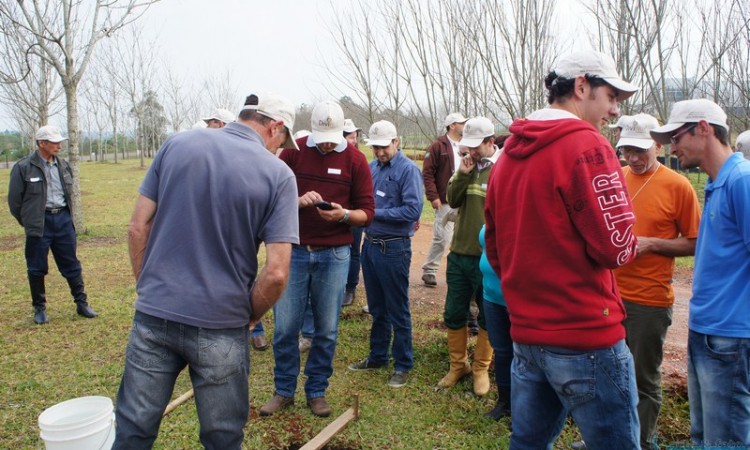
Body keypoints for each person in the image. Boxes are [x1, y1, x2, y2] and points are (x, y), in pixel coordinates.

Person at [113, 93, 299, 449]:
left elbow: (138, 228)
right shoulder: (278, 175)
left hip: (155, 314)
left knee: (133, 427)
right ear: (275, 127)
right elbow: (276, 273)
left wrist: (149, 286)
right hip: (222, 323)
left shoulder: (178, 144)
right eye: (282, 141)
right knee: (222, 436)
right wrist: (250, 315)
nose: (280, 150)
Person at [484, 50, 641, 449]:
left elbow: (495, 247)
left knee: (528, 443)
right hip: (586, 335)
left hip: (528, 335)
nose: (613, 111)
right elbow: (617, 249)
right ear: (582, 85)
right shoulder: (587, 147)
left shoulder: (507, 156)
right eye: (611, 98)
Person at [260, 100, 374, 418]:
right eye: (322, 136)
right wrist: (296, 202)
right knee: (285, 328)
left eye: (333, 137)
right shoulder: (293, 153)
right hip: (295, 252)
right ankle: (284, 390)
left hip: (335, 255)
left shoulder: (355, 160)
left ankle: (316, 390)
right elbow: (272, 199)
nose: (327, 143)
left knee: (326, 329)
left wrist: (344, 215)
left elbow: (367, 213)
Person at [650, 99, 750, 447]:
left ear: (704, 129)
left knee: (726, 440)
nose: (672, 146)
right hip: (707, 330)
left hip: (731, 336)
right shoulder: (716, 183)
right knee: (705, 436)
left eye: (676, 136)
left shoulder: (742, 181)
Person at [612, 113, 701, 450]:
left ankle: (639, 442)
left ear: (657, 144)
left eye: (639, 150)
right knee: (610, 374)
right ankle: (608, 437)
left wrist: (650, 244)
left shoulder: (678, 186)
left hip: (649, 300)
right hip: (610, 295)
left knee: (642, 378)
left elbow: (694, 241)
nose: (632, 158)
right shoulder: (618, 178)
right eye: (626, 150)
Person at [348, 120, 423, 388]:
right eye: (375, 147)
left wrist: (372, 214)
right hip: (370, 246)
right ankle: (378, 356)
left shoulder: (408, 170)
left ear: (396, 141)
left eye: (383, 147)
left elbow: (412, 211)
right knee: (378, 308)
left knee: (397, 309)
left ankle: (403, 364)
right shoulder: (371, 169)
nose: (379, 152)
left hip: (394, 248)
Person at [8, 125, 98, 325]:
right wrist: (30, 222)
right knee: (36, 267)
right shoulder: (23, 168)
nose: (59, 145)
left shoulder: (64, 166)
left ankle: (82, 304)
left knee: (72, 264)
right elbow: (15, 202)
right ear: (42, 143)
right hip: (40, 224)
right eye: (54, 142)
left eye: (59, 142)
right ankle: (39, 308)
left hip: (63, 221)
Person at [437, 116, 500, 397]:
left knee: (487, 315)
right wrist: (462, 173)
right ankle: (457, 365)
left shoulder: (502, 170)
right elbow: (454, 199)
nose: (470, 152)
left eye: (476, 147)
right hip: (460, 254)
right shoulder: (466, 167)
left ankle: (480, 369)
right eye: (467, 146)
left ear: (491, 142)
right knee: (454, 311)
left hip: (487, 259)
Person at [420, 112, 467, 287]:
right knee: (442, 237)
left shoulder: (466, 144)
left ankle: (458, 274)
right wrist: (433, 197)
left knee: (461, 237)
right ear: (452, 125)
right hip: (445, 200)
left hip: (464, 199)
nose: (465, 125)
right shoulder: (437, 146)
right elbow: (427, 173)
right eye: (462, 123)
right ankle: (430, 270)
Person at [343, 118, 363, 307]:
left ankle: (350, 288)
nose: (354, 140)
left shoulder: (358, 159)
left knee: (354, 250)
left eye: (355, 136)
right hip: (337, 214)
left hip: (354, 213)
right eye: (350, 137)